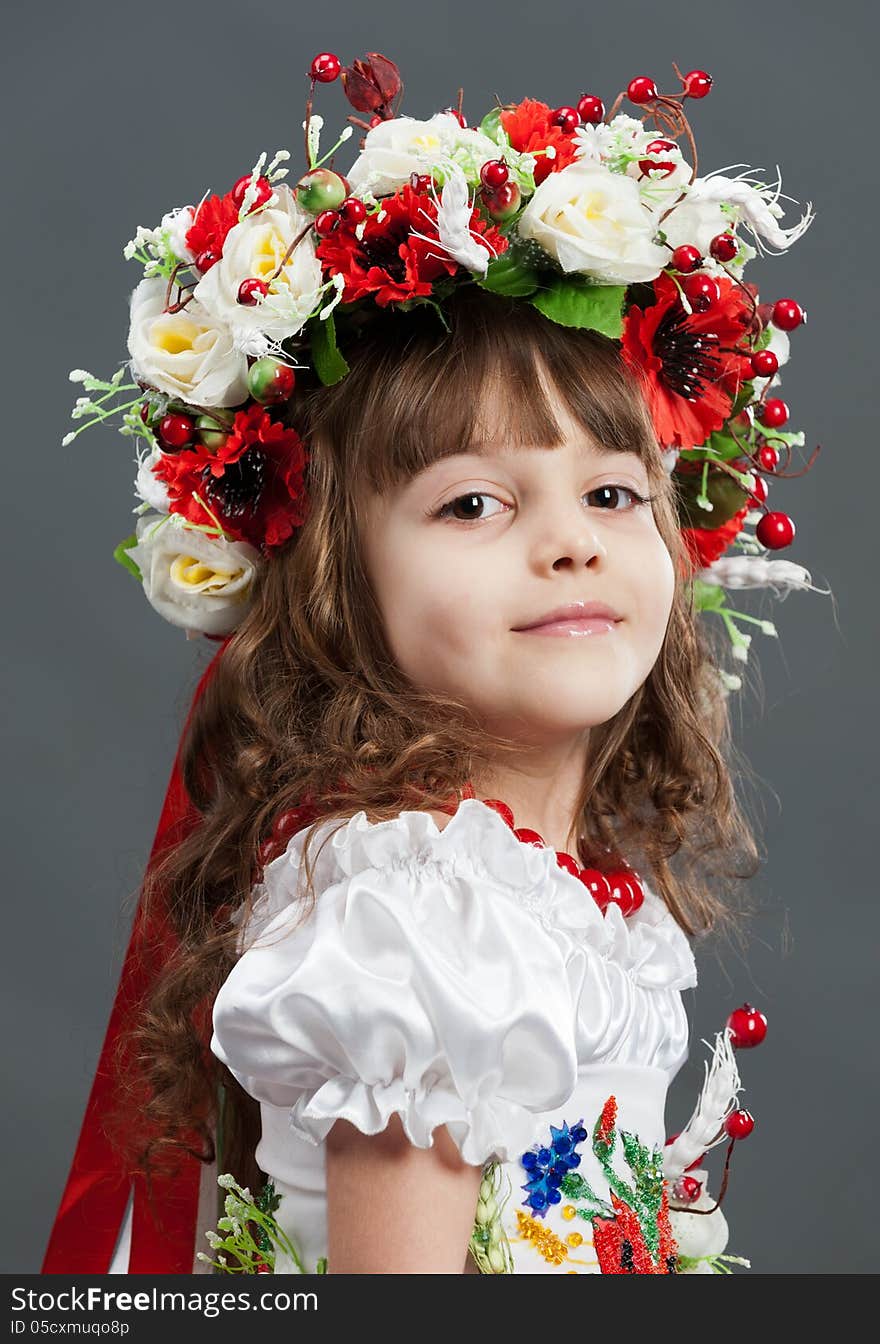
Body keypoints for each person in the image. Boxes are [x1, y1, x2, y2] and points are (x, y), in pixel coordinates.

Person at [44, 50, 818, 1276]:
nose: (570, 543)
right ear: (341, 589)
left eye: (613, 492)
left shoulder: (527, 896)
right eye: (472, 505)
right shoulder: (425, 922)